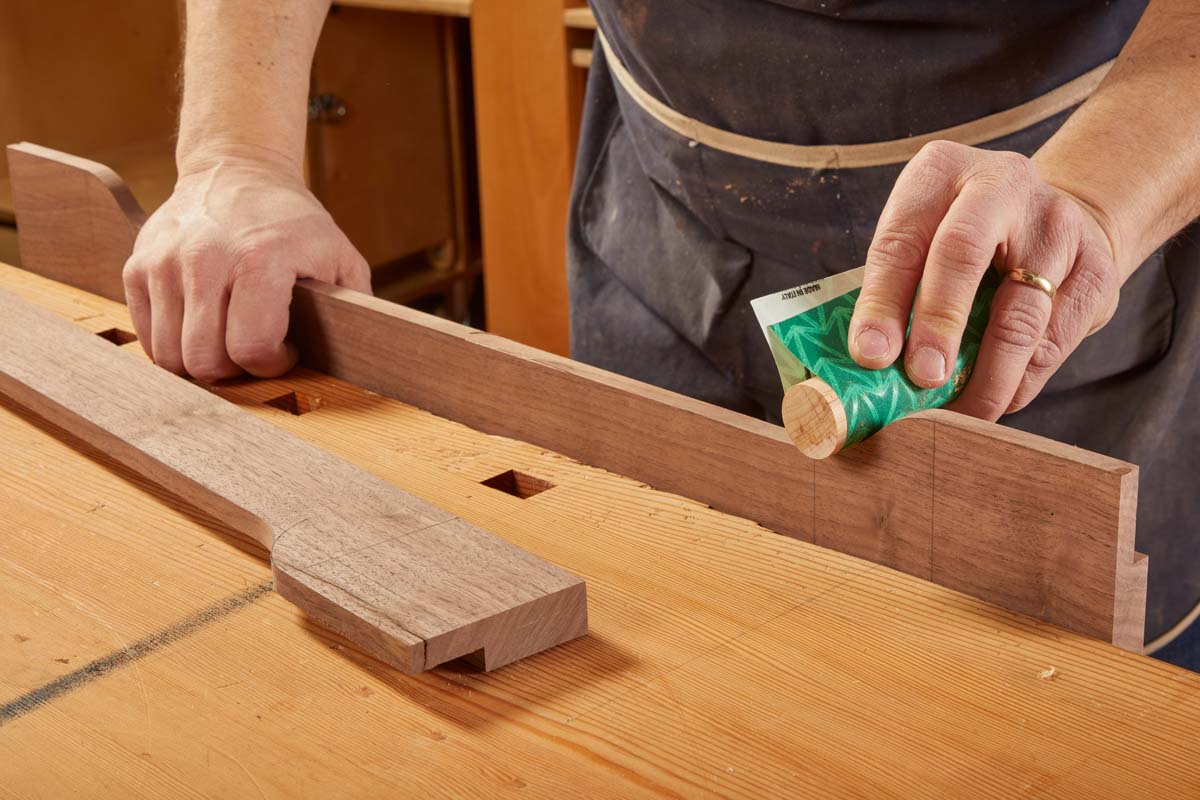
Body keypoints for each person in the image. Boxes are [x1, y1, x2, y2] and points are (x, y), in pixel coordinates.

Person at [125, 1, 1199, 667]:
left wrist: (1095, 207)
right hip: (668, 234)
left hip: (1043, 254)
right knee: (669, 667)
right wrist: (237, 154)